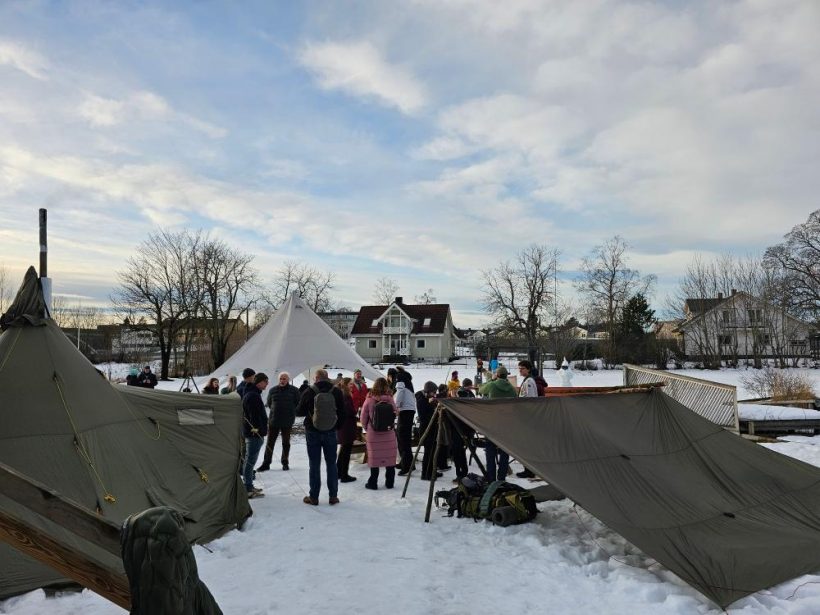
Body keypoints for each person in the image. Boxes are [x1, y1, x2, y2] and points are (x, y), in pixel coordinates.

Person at [296, 369, 346, 505]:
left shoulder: (309, 391)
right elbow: (343, 412)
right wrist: (336, 426)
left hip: (313, 431)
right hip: (331, 431)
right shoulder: (336, 391)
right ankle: (333, 496)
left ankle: (314, 496)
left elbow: (299, 412)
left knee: (314, 464)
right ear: (327, 377)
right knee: (331, 464)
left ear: (316, 378)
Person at [478, 366, 516, 481]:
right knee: (505, 451)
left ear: (497, 375)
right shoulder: (512, 388)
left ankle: (491, 477)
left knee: (490, 450)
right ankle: (501, 477)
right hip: (507, 423)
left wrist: (491, 380)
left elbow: (481, 390)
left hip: (492, 422)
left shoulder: (493, 385)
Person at [360, 377, 398, 489]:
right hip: (388, 432)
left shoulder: (369, 399)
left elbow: (363, 417)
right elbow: (395, 413)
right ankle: (390, 483)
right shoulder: (390, 399)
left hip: (373, 433)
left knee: (374, 458)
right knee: (390, 458)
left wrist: (367, 428)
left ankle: (373, 483)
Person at [257, 372, 300, 472]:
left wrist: (291, 412)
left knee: (286, 442)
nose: (282, 380)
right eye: (281, 378)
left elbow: (298, 402)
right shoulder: (273, 390)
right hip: (274, 420)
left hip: (287, 421)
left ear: (288, 380)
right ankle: (266, 463)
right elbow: (269, 402)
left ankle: (285, 462)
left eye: (284, 379)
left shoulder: (294, 390)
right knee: (270, 442)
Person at [242, 373, 269, 498]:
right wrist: (256, 430)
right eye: (265, 381)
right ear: (258, 382)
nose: (267, 384)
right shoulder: (253, 395)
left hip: (254, 433)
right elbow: (253, 416)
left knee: (250, 460)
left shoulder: (254, 393)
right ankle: (247, 488)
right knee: (250, 461)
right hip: (253, 434)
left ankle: (249, 485)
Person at [515, 360, 539, 478]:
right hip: (526, 416)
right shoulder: (527, 380)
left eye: (522, 368)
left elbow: (529, 399)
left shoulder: (529, 381)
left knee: (527, 445)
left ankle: (529, 470)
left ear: (528, 369)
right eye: (519, 368)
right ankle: (528, 469)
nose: (520, 370)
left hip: (528, 416)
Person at [416, 381, 443, 481]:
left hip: (432, 429)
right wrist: (432, 406)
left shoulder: (426, 399)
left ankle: (432, 471)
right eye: (433, 392)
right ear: (428, 391)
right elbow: (424, 416)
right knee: (429, 452)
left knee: (433, 451)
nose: (434, 394)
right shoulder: (421, 400)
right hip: (427, 429)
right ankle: (426, 473)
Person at [336, 378, 358, 483]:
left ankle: (338, 473)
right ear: (345, 385)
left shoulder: (343, 394)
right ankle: (344, 475)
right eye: (350, 384)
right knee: (346, 451)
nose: (352, 385)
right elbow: (349, 411)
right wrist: (355, 411)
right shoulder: (345, 396)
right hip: (346, 427)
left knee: (343, 450)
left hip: (344, 427)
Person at [394, 378, 417, 476]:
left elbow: (399, 395)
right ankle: (409, 463)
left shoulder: (401, 384)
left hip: (404, 411)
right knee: (404, 439)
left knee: (402, 439)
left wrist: (396, 407)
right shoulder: (409, 388)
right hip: (409, 411)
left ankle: (406, 466)